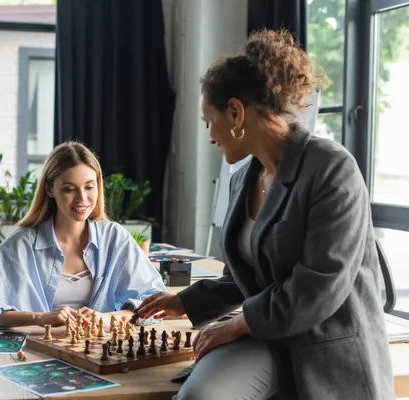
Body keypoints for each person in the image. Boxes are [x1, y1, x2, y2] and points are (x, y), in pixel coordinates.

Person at [135, 29, 394, 400]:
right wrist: (185, 301)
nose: (209, 135)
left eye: (209, 120)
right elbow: (248, 276)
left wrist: (237, 324)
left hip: (324, 347)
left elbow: (319, 286)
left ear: (236, 112)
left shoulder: (332, 169)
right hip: (267, 338)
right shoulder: (243, 179)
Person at [0, 141, 165, 329]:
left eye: (89, 187)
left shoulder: (115, 237)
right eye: (69, 189)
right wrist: (39, 318)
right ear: (49, 189)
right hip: (34, 353)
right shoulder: (21, 243)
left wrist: (105, 318)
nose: (82, 199)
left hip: (102, 353)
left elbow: (154, 300)